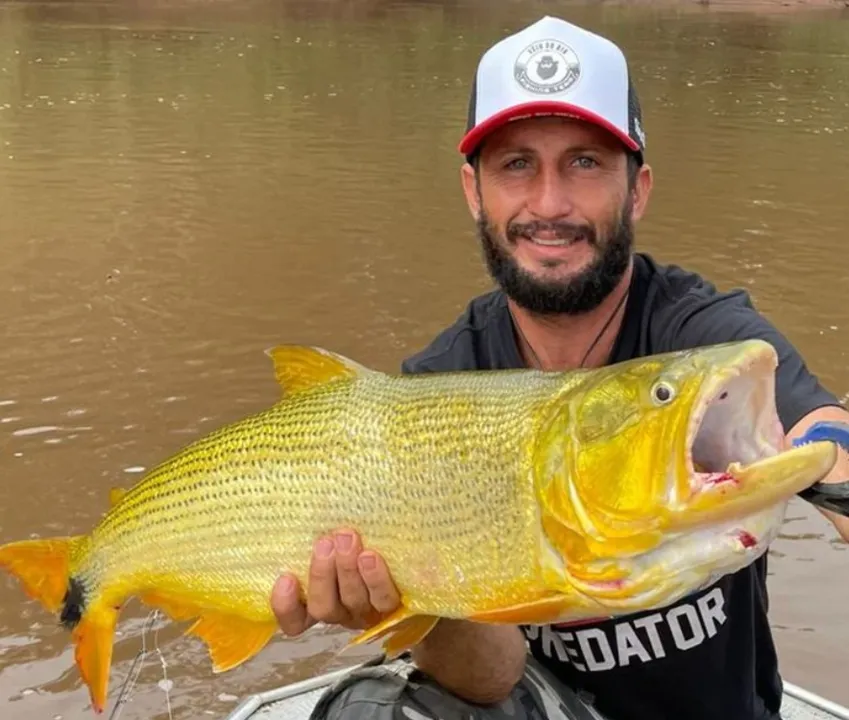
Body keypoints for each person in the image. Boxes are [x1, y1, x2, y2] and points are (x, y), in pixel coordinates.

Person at [270, 15, 849, 720]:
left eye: (584, 162)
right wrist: (412, 602)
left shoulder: (699, 335)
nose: (549, 205)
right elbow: (488, 682)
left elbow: (819, 427)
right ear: (472, 191)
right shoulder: (437, 386)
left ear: (635, 189)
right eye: (516, 164)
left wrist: (833, 475)